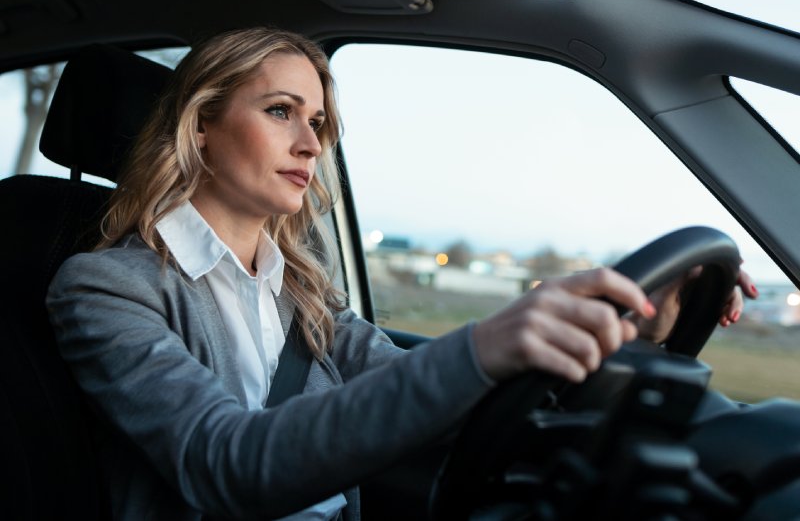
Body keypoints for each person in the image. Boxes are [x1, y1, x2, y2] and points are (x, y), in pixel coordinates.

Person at [46, 27, 756, 520]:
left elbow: (417, 393)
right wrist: (487, 343)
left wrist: (630, 320)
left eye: (318, 122)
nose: (308, 143)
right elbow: (225, 463)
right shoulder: (104, 288)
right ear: (202, 122)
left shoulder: (303, 290)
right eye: (280, 111)